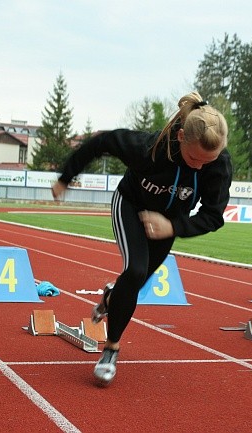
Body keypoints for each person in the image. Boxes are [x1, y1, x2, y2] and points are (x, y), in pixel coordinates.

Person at [51, 92, 232, 386]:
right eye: (194, 158)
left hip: (167, 224)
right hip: (131, 206)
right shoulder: (148, 149)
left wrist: (171, 226)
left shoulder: (218, 164)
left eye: (208, 161)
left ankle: (112, 296)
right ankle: (111, 349)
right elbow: (101, 142)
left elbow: (214, 216)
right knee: (134, 271)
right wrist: (65, 178)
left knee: (133, 283)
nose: (200, 166)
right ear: (182, 137)